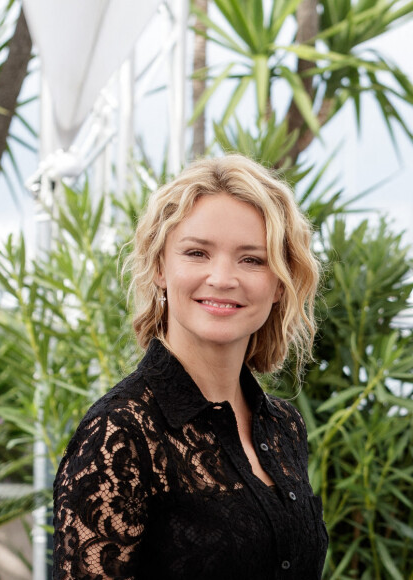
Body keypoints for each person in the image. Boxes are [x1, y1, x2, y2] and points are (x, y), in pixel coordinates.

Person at [53, 154, 329, 579]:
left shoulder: (284, 426)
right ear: (161, 267)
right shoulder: (119, 433)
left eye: (251, 259)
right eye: (197, 252)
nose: (222, 277)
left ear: (280, 282)